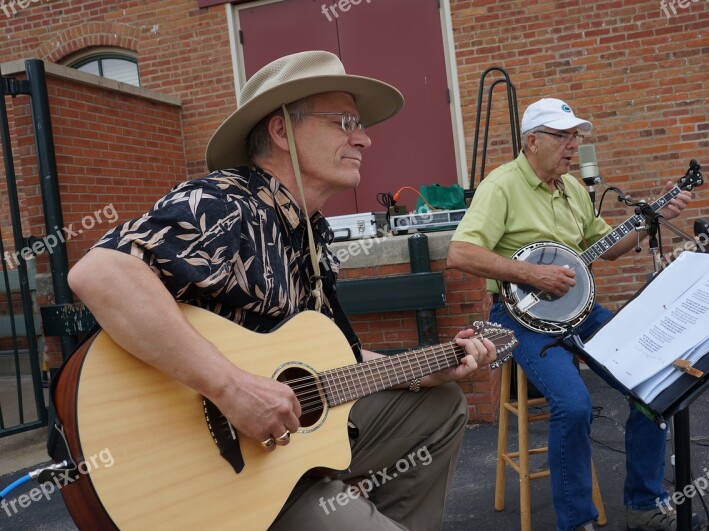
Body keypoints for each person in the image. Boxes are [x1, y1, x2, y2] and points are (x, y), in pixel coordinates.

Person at [67, 50, 496, 530]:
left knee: (438, 405)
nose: (365, 138)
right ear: (280, 131)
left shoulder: (305, 231)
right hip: (215, 472)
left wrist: (422, 369)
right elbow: (100, 273)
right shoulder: (226, 201)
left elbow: (326, 365)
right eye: (344, 121)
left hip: (286, 455)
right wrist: (231, 388)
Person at [447, 98, 700, 531]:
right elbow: (460, 252)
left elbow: (610, 246)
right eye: (562, 136)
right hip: (517, 317)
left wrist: (646, 221)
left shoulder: (574, 191)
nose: (573, 145)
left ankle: (643, 502)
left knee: (655, 379)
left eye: (575, 136)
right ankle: (577, 522)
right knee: (574, 405)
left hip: (578, 311)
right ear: (532, 142)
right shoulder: (502, 185)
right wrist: (530, 273)